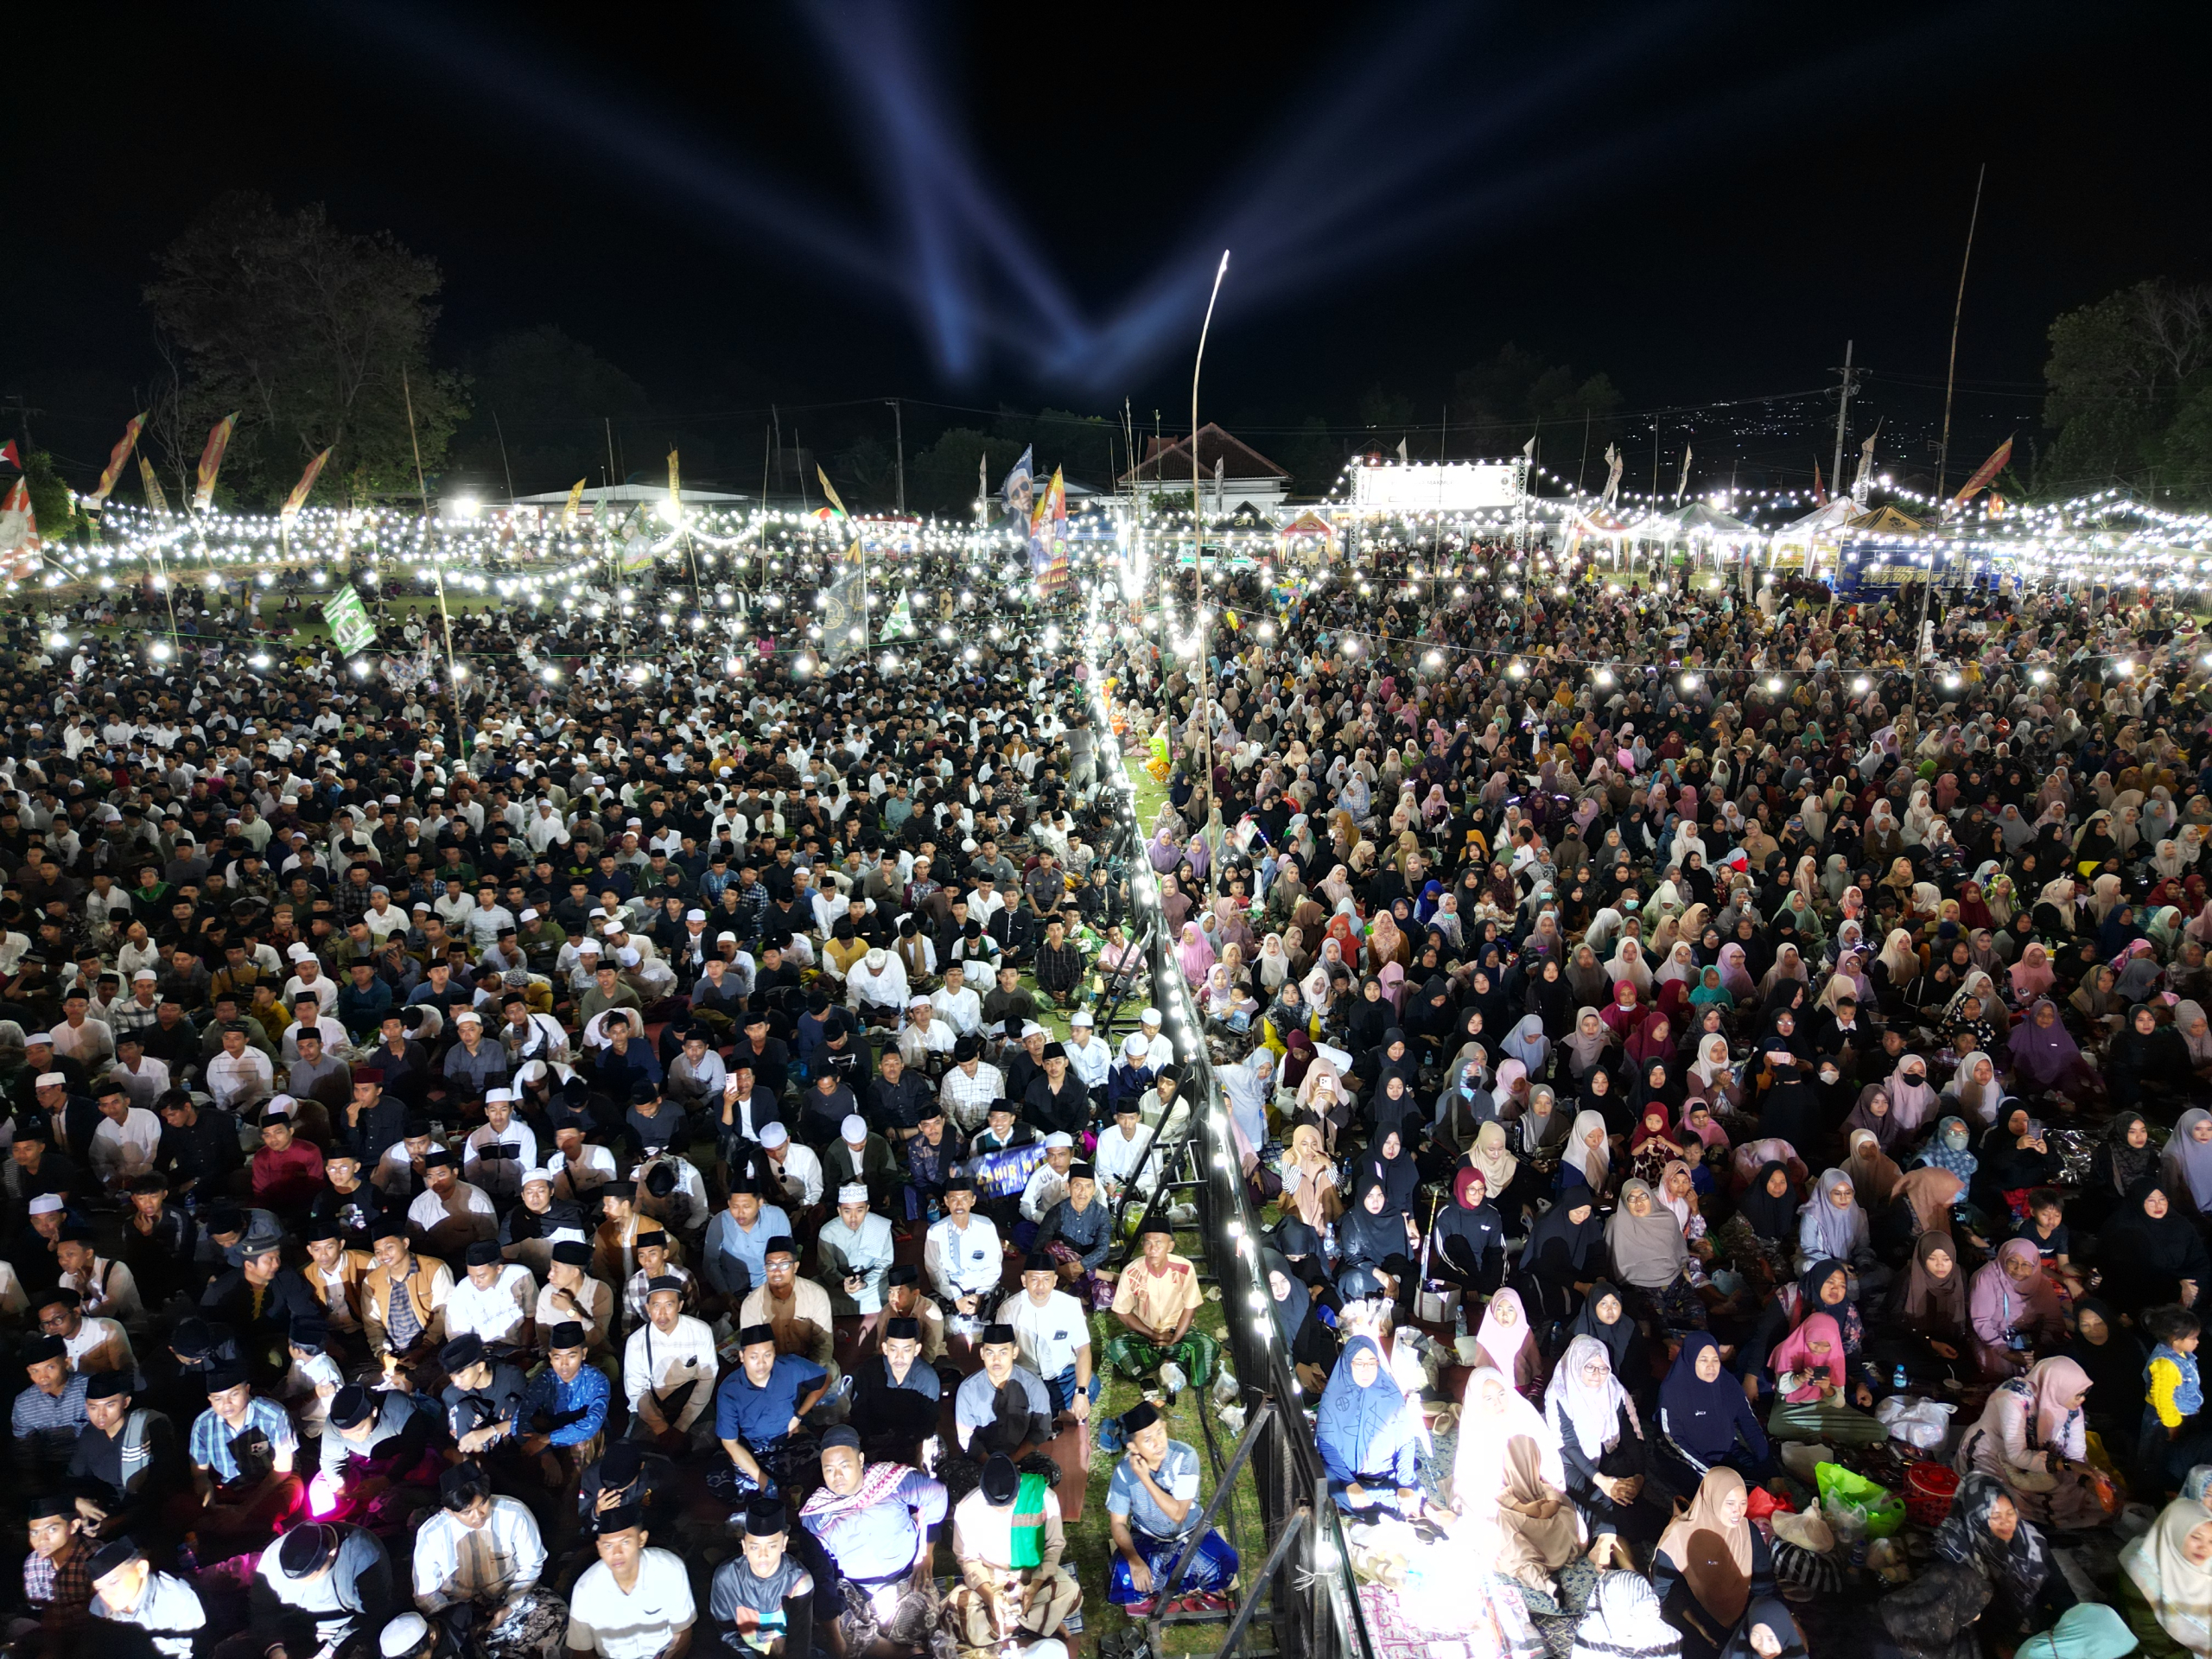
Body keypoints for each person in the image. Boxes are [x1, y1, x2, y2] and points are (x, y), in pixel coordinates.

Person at [798, 1427, 948, 1656]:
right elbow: (821, 1575)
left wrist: (926, 1553)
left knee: (920, 1616)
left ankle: (886, 1649)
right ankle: (905, 1653)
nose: (837, 1476)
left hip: (905, 1580)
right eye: (829, 1469)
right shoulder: (816, 1514)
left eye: (844, 1466)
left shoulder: (891, 1482)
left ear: (860, 1460)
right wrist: (835, 1633)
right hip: (855, 1591)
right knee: (832, 1628)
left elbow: (936, 1495)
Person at [1104, 1402, 1238, 1613]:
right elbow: (1118, 1524)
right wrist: (1135, 1560)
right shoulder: (1123, 1471)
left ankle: (1200, 1593)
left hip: (1190, 1532)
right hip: (1149, 1536)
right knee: (1122, 1573)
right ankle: (1166, 1593)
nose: (1158, 1443)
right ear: (1133, 1447)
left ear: (1165, 1427)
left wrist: (1145, 1478)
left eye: (1160, 1432)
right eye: (1147, 1439)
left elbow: (1178, 1514)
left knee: (1226, 1561)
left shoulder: (1185, 1456)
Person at [947, 1452, 1082, 1649]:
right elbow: (967, 1558)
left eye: (1010, 1502)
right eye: (995, 1504)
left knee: (1069, 1592)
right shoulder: (967, 1508)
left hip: (1032, 1574)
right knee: (955, 1608)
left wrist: (1034, 1585)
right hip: (991, 1577)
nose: (1002, 1509)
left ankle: (1004, 1627)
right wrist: (990, 1599)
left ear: (1019, 1485)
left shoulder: (1042, 1497)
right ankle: (1037, 1623)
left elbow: (1054, 1545)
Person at [1650, 1468, 1772, 1659]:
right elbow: (1662, 1595)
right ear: (1711, 1499)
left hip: (1743, 1611)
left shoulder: (1747, 1530)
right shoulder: (1677, 1538)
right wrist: (1695, 1624)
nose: (1738, 1511)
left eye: (1743, 1503)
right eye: (1730, 1503)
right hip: (1695, 1611)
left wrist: (1770, 1620)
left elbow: (1764, 1585)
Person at [253, 1522, 398, 1659]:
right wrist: (275, 1650)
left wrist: (328, 1652)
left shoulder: (363, 1554)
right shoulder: (273, 1557)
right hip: (294, 1629)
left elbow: (372, 1615)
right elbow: (262, 1610)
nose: (301, 1586)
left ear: (332, 1554)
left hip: (346, 1636)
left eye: (310, 1578)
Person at [564, 1506, 694, 1659]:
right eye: (608, 1545)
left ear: (641, 1539)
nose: (617, 1553)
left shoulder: (669, 1569)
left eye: (625, 1542)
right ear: (599, 1548)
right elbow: (582, 1651)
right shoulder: (586, 1589)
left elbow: (682, 1634)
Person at [1104, 1217, 1217, 1391]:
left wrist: (1175, 1338)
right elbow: (1123, 1313)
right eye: (1148, 1243)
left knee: (1208, 1345)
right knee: (1115, 1348)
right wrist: (1153, 1335)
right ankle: (1173, 1358)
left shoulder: (1185, 1268)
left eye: (1159, 1243)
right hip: (1144, 1332)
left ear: (1170, 1246)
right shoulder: (1131, 1272)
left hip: (1177, 1331)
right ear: (1143, 1246)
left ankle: (1161, 1356)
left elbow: (1190, 1308)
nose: (1153, 1249)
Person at [707, 1503, 815, 1659]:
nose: (763, 1555)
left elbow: (799, 1645)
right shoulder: (726, 1578)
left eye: (771, 1546)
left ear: (784, 1544)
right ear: (744, 1546)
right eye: (755, 1547)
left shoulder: (799, 1582)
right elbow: (726, 1633)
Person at [2120, 1494, 2212, 1659]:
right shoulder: (2141, 1574)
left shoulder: (2206, 1566)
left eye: (2211, 1541)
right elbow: (2150, 1636)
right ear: (2175, 1531)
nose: (2204, 1548)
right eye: (2196, 1537)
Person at [87, 1539, 207, 1659]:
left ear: (141, 1569)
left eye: (113, 1583)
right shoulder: (98, 1607)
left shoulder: (178, 1600)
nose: (106, 1595)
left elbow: (191, 1652)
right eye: (100, 1589)